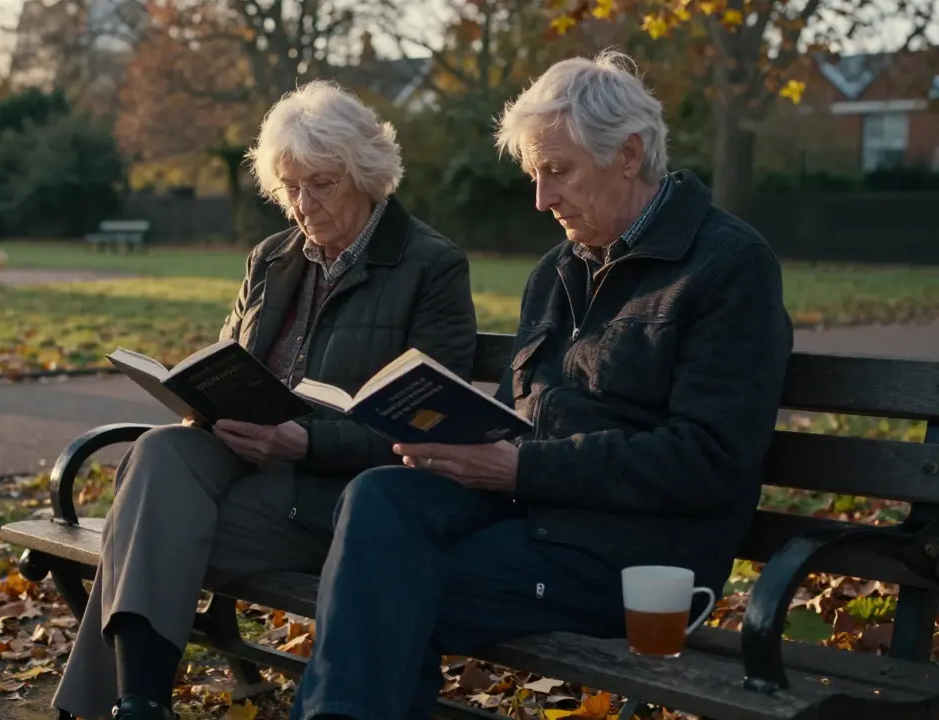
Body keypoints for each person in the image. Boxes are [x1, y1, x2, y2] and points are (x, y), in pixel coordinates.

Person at [288, 50, 795, 720]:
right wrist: (450, 439)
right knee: (381, 496)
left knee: (388, 590)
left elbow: (709, 459)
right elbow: (516, 413)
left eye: (557, 171)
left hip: (637, 558)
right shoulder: (558, 270)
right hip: (531, 518)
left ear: (629, 154)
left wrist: (521, 469)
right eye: (534, 173)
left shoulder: (728, 267)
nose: (541, 198)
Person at [50, 79, 479, 720]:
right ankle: (138, 703)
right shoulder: (272, 258)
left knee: (142, 532)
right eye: (291, 187)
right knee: (161, 449)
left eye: (321, 184)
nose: (304, 205)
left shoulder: (430, 267)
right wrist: (199, 400)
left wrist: (305, 439)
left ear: (365, 173)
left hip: (341, 497)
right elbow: (226, 362)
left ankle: (113, 706)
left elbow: (429, 419)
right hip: (243, 466)